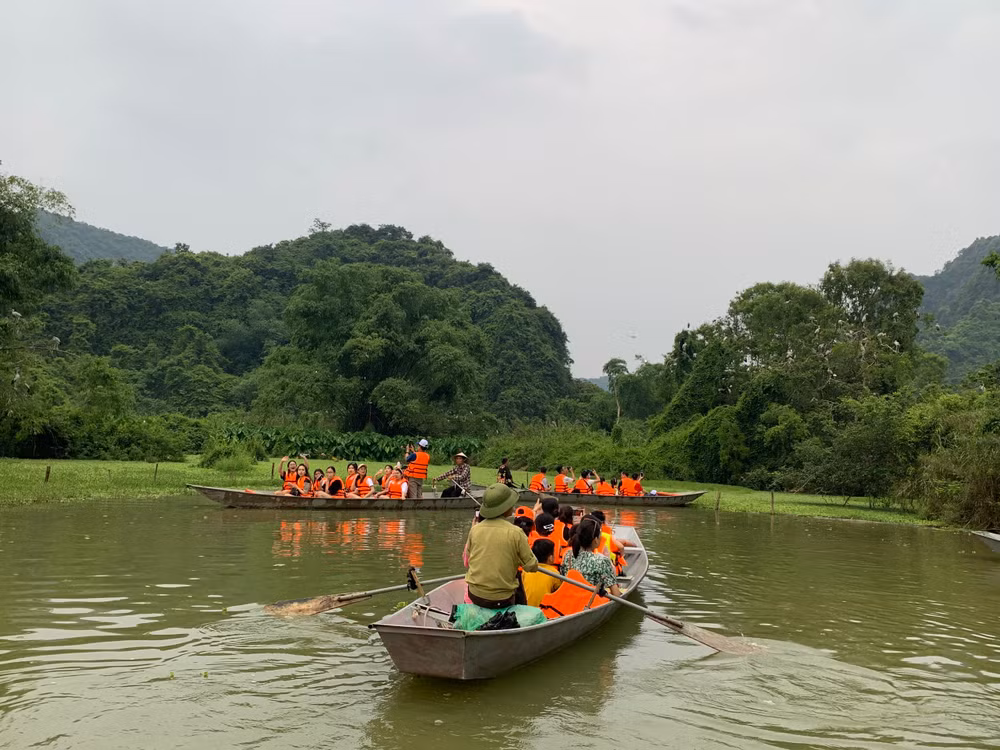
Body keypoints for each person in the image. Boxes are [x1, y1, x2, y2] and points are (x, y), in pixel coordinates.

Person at [464, 483, 538, 608]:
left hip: (474, 594)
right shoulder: (516, 532)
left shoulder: (475, 529)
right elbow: (532, 566)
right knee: (518, 586)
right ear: (505, 508)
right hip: (502, 599)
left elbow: (469, 559)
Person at [559, 515, 623, 598]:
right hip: (590, 602)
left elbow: (563, 579)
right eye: (600, 536)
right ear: (595, 540)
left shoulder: (568, 554)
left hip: (571, 599)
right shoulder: (602, 560)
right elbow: (616, 594)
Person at [521, 539, 561, 607]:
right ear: (550, 558)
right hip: (545, 611)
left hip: (528, 608)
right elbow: (558, 593)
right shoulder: (553, 573)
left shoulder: (526, 571)